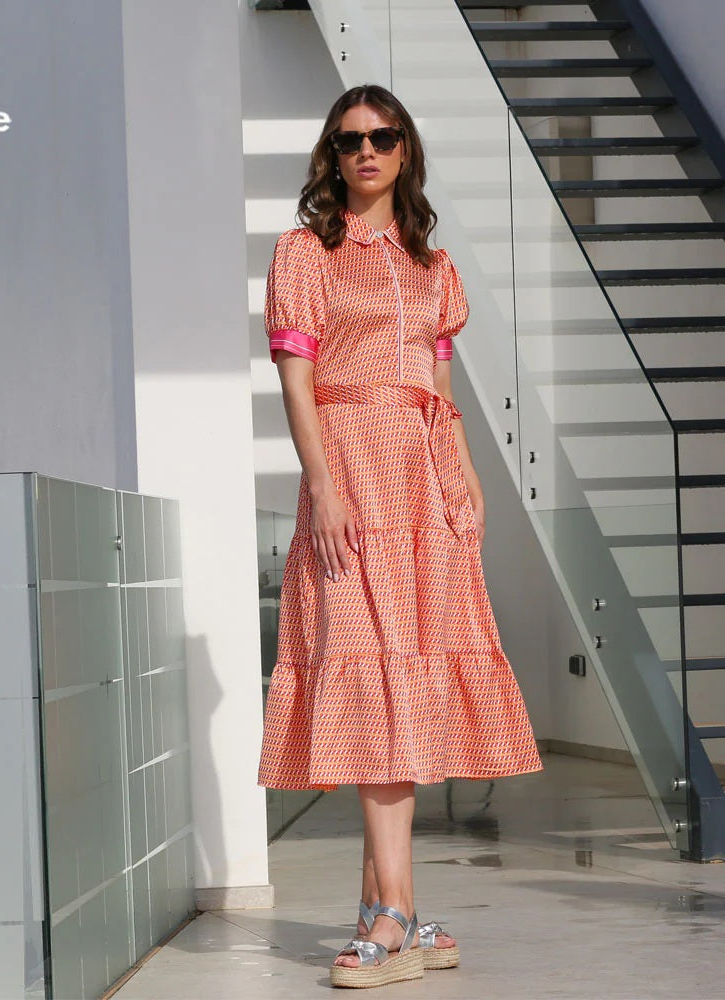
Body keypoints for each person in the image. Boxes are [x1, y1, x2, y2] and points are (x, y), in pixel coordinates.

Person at [256, 84, 542, 989]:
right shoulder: (305, 252)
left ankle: (386, 915)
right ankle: (400, 917)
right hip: (349, 472)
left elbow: (441, 391)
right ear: (332, 156)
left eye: (383, 137)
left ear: (405, 149)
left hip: (424, 486)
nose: (367, 152)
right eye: (350, 141)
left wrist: (467, 480)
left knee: (404, 684)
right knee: (371, 680)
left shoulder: (433, 267)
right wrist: (322, 483)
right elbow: (296, 382)